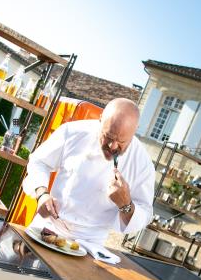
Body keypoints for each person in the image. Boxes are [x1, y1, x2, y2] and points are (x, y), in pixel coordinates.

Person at [22, 98, 155, 245]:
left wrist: (126, 204)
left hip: (89, 242)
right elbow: (39, 162)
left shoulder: (143, 164)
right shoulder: (72, 131)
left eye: (122, 142)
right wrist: (41, 194)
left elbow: (146, 212)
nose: (112, 146)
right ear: (100, 119)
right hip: (48, 224)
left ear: (134, 131)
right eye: (108, 137)